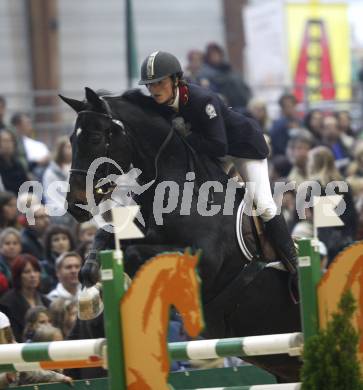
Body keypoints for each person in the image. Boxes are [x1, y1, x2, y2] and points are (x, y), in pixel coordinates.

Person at [136, 51, 298, 277]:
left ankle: (294, 264)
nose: (154, 90)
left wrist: (186, 137)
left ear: (175, 80)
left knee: (263, 204)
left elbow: (219, 146)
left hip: (243, 148)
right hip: (212, 151)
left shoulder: (203, 100)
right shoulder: (161, 104)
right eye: (150, 84)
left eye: (159, 83)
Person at [0, 254, 50, 341]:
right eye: (27, 272)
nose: (33, 275)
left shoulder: (46, 301)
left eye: (36, 271)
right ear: (18, 275)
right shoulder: (7, 303)